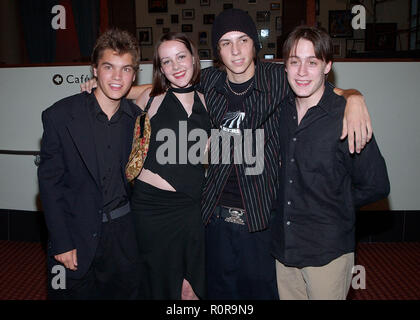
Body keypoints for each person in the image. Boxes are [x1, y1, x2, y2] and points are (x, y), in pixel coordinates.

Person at [80, 9, 373, 300]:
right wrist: (106, 87)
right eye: (225, 43)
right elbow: (157, 86)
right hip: (213, 219)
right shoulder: (208, 82)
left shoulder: (279, 79)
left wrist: (353, 96)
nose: (235, 51)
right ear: (216, 51)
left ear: (254, 44)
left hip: (259, 220)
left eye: (242, 40)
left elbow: (319, 85)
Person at [271, 26, 390, 300]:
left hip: (327, 253)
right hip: (284, 250)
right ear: (285, 67)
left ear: (327, 66)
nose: (302, 71)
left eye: (312, 62)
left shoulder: (345, 116)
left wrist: (334, 204)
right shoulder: (281, 111)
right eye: (294, 61)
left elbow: (376, 185)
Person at [38, 28, 142, 300]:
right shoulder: (60, 116)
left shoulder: (140, 122)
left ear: (134, 74)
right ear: (94, 70)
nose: (117, 77)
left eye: (126, 69)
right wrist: (61, 242)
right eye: (109, 67)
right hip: (74, 236)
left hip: (124, 239)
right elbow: (50, 186)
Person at [130, 32, 210, 300]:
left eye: (181, 57)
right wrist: (92, 83)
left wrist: (349, 96)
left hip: (190, 208)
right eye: (166, 61)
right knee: (157, 283)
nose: (175, 67)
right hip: (150, 208)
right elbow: (112, 91)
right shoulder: (149, 97)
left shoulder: (210, 101)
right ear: (160, 68)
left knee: (190, 288)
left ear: (193, 58)